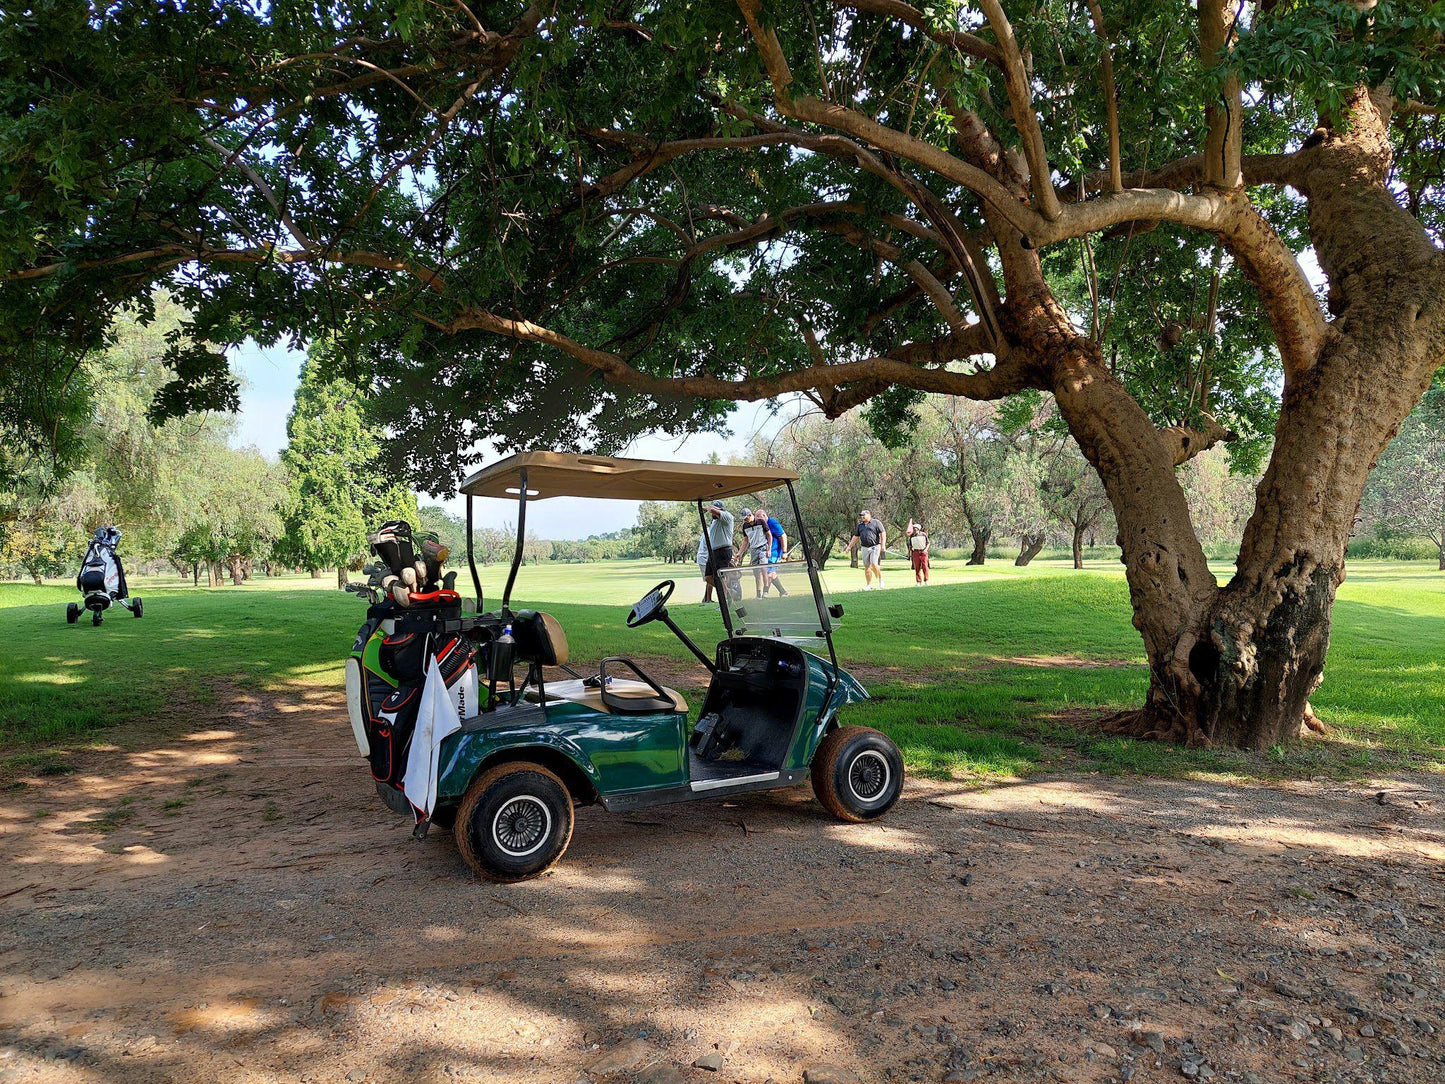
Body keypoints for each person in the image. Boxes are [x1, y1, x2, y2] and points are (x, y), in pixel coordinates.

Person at [704, 500, 738, 601]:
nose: (713, 513)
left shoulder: (727, 516)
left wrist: (708, 508)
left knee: (722, 577)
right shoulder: (715, 522)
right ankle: (728, 591)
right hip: (713, 552)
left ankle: (725, 600)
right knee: (708, 577)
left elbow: (715, 511)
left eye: (715, 510)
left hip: (723, 550)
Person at [756, 504, 788, 596]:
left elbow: (783, 536)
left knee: (769, 573)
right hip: (765, 553)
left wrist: (784, 552)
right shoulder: (759, 525)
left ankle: (765, 593)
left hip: (774, 553)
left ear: (765, 516)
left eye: (759, 517)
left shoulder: (773, 523)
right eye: (756, 517)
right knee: (771, 573)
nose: (757, 519)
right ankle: (782, 592)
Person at [850, 509, 886, 589]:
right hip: (864, 547)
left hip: (875, 546)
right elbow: (856, 537)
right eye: (861, 516)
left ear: (869, 515)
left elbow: (882, 533)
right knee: (867, 566)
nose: (862, 517)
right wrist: (849, 546)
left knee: (874, 563)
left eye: (864, 515)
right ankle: (869, 585)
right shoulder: (860, 526)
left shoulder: (876, 522)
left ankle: (881, 580)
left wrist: (883, 545)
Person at [740, 507, 770, 598]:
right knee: (756, 573)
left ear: (750, 515)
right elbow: (746, 541)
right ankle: (758, 594)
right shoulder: (745, 526)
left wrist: (769, 549)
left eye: (746, 518)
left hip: (763, 548)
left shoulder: (760, 522)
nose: (745, 520)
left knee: (764, 569)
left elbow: (769, 535)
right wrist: (740, 553)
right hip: (753, 550)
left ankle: (766, 591)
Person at [905, 519, 930, 585]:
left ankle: (926, 580)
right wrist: (909, 554)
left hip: (923, 552)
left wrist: (925, 550)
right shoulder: (911, 536)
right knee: (917, 567)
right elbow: (910, 546)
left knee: (925, 567)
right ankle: (918, 581)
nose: (914, 529)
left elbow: (928, 543)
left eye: (915, 528)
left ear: (918, 529)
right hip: (915, 552)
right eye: (913, 528)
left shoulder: (923, 534)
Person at [697, 528, 715, 604]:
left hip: (702, 557)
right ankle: (708, 599)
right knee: (710, 578)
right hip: (704, 557)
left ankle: (705, 598)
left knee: (709, 579)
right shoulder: (711, 532)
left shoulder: (707, 530)